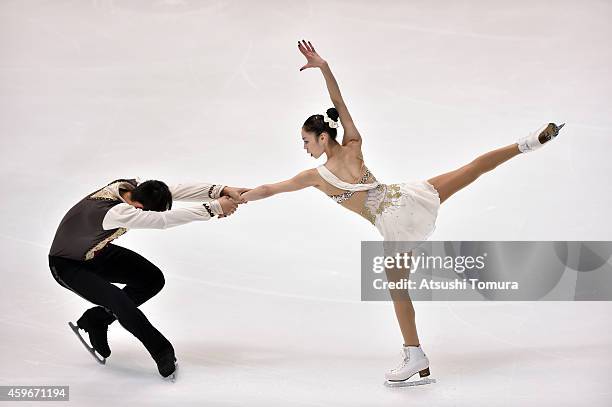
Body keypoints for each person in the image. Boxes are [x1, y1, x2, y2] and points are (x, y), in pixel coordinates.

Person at [239, 40, 565, 386]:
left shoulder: (315, 177)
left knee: (398, 290)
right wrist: (324, 66)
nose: (304, 147)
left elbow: (269, 189)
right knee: (471, 169)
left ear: (322, 138)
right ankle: (529, 142)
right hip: (407, 198)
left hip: (392, 223)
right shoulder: (353, 144)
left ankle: (415, 353)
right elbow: (339, 102)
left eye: (306, 140)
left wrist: (237, 196)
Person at [48, 177, 247, 379]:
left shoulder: (131, 187)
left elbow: (174, 190)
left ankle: (96, 319)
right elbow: (163, 221)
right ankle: (161, 351)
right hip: (67, 264)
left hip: (96, 252)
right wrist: (213, 208)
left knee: (151, 279)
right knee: (119, 301)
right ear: (140, 207)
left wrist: (221, 190)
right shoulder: (117, 212)